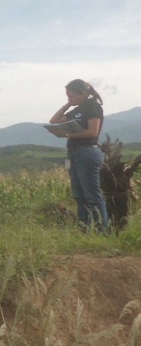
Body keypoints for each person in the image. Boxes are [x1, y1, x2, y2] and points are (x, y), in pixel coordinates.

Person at [49, 79, 109, 233]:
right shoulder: (77, 109)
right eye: (67, 96)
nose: (69, 99)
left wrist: (68, 134)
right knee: (79, 195)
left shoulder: (92, 106)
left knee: (92, 195)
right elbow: (54, 120)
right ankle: (84, 229)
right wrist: (68, 104)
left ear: (82, 94)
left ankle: (102, 231)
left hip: (87, 152)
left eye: (72, 96)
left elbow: (92, 132)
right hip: (73, 153)